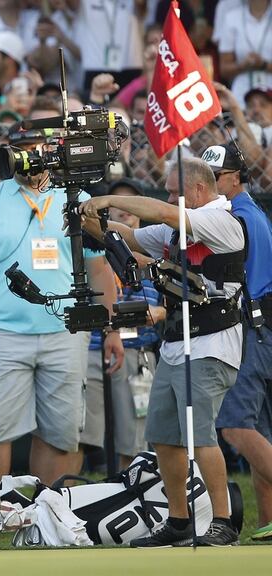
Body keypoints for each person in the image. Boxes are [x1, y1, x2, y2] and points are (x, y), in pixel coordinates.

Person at [0, 125, 122, 528]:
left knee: (61, 431)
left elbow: (99, 269)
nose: (29, 158)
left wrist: (112, 329)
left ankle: (49, 519)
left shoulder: (79, 199)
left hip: (66, 333)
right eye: (21, 150)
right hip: (3, 332)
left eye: (36, 149)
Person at [80, 157, 245, 547]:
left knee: (201, 438)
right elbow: (131, 238)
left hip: (211, 344)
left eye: (175, 191)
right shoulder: (176, 230)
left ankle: (223, 521)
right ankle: (178, 520)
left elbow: (159, 211)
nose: (169, 197)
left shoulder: (222, 222)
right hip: (175, 346)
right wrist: (86, 217)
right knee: (165, 438)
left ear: (200, 191)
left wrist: (104, 201)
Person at [202, 143, 272, 541]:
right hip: (263, 327)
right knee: (260, 432)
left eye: (215, 178)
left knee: (234, 427)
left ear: (233, 178)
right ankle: (268, 524)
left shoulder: (235, 218)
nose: (211, 186)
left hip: (251, 330)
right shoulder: (253, 212)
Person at [80, 179, 165, 470]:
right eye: (117, 203)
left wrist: (152, 313)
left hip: (136, 351)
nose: (124, 210)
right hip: (92, 348)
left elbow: (155, 308)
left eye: (131, 203)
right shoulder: (92, 248)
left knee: (134, 437)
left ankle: (131, 488)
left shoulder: (154, 248)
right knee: (82, 434)